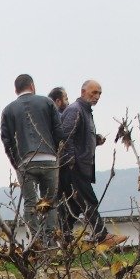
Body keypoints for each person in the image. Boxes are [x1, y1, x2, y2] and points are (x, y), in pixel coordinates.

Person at [0, 74, 64, 242]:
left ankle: (36, 242)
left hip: (25, 160)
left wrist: (16, 162)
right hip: (49, 157)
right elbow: (59, 132)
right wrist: (55, 153)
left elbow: (7, 140)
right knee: (49, 202)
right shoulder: (47, 103)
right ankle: (50, 241)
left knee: (30, 203)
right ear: (32, 86)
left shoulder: (8, 110)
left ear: (16, 90)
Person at [58, 80, 110, 241]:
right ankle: (102, 236)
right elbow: (66, 137)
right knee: (89, 201)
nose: (97, 96)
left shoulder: (85, 111)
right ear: (83, 92)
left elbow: (79, 138)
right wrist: (72, 162)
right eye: (93, 92)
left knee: (74, 206)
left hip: (81, 166)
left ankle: (64, 239)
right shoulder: (76, 110)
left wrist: (96, 140)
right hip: (75, 167)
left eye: (99, 93)